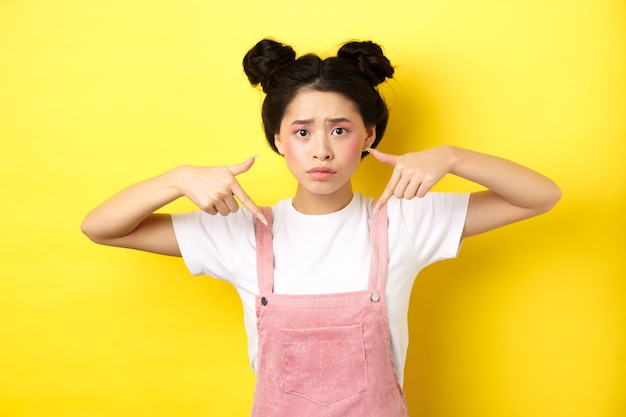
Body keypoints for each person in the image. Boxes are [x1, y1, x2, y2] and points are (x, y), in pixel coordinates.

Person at [81, 38, 561, 416]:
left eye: (340, 129)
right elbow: (101, 227)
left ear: (368, 135)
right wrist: (177, 178)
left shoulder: (405, 219)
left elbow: (542, 196)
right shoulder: (239, 229)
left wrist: (453, 156)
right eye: (302, 131)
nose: (322, 151)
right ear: (278, 139)